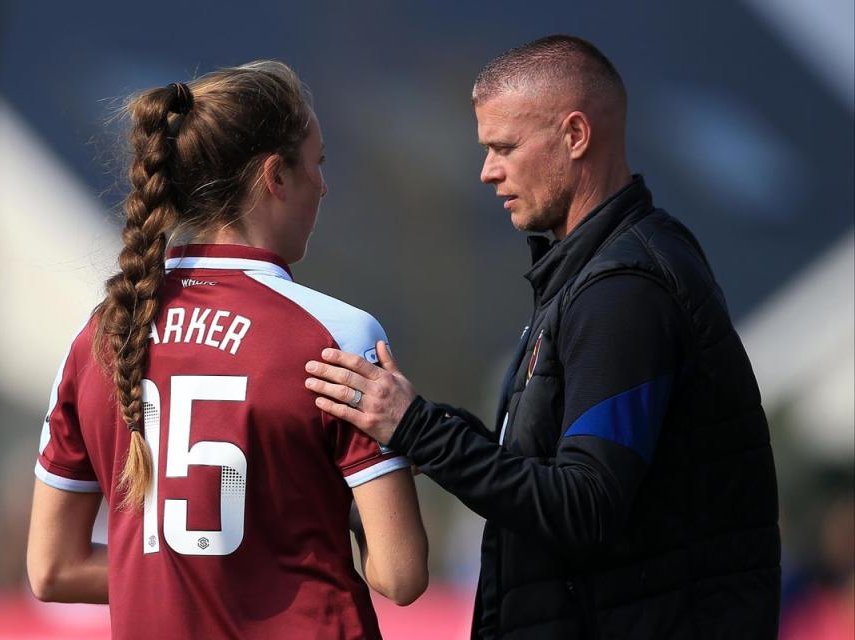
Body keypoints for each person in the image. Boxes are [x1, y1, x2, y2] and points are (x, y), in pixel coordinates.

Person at [305, 35, 780, 639]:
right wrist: (432, 435)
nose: (486, 171)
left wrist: (418, 427)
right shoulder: (595, 271)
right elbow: (552, 472)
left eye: (503, 147)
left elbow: (585, 504)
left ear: (575, 136)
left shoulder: (624, 288)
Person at [26, 61, 428, 640]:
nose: (323, 184)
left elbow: (52, 569)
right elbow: (401, 574)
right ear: (276, 177)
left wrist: (191, 575)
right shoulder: (339, 333)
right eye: (317, 164)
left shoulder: (99, 336)